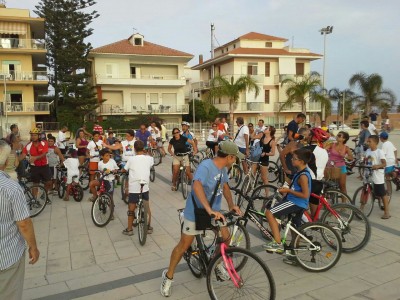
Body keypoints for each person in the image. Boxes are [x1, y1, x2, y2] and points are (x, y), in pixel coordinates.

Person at [160, 140, 243, 297]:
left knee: (225, 238)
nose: (237, 161)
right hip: (197, 211)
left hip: (214, 212)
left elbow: (225, 186)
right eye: (236, 158)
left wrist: (231, 205)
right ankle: (168, 276)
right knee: (184, 245)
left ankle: (216, 263)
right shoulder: (206, 166)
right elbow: (196, 185)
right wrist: (208, 209)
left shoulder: (223, 169)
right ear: (230, 157)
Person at [0, 140, 40, 300]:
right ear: (6, 160)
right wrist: (33, 247)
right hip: (6, 256)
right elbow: (23, 223)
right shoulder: (10, 188)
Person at [263, 148, 313, 254]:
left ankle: (277, 243)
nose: (291, 160)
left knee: (269, 213)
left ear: (301, 161)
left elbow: (305, 195)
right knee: (295, 228)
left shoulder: (303, 176)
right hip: (297, 202)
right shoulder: (299, 172)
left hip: (296, 202)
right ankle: (294, 254)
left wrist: (288, 190)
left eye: (294, 159)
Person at [122, 140, 154, 236]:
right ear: (143, 148)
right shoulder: (149, 159)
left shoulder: (131, 159)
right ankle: (148, 227)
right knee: (147, 206)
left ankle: (129, 229)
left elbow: (124, 169)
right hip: (144, 186)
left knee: (131, 207)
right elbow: (150, 162)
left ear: (134, 149)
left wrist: (121, 170)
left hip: (134, 187)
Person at [19, 128, 52, 196]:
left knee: (49, 182)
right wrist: (16, 160)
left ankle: (45, 195)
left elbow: (44, 153)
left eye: (35, 135)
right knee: (35, 184)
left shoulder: (44, 143)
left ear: (39, 136)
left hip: (44, 166)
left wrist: (35, 157)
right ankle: (34, 200)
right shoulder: (28, 145)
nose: (33, 137)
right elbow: (23, 155)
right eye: (32, 135)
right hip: (34, 167)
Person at [364, 135, 390, 219]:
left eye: (370, 141)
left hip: (377, 175)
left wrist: (377, 166)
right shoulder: (368, 151)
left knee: (382, 193)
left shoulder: (379, 152)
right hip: (368, 174)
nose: (368, 143)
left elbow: (384, 163)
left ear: (375, 142)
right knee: (365, 190)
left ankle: (387, 212)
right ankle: (361, 207)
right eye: (367, 141)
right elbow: (366, 160)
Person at [325, 131, 354, 196]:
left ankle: (344, 203)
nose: (337, 136)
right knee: (326, 185)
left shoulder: (346, 148)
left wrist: (344, 156)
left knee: (342, 185)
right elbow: (323, 149)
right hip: (330, 166)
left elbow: (351, 158)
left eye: (339, 136)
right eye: (337, 135)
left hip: (341, 167)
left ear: (344, 139)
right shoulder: (332, 144)